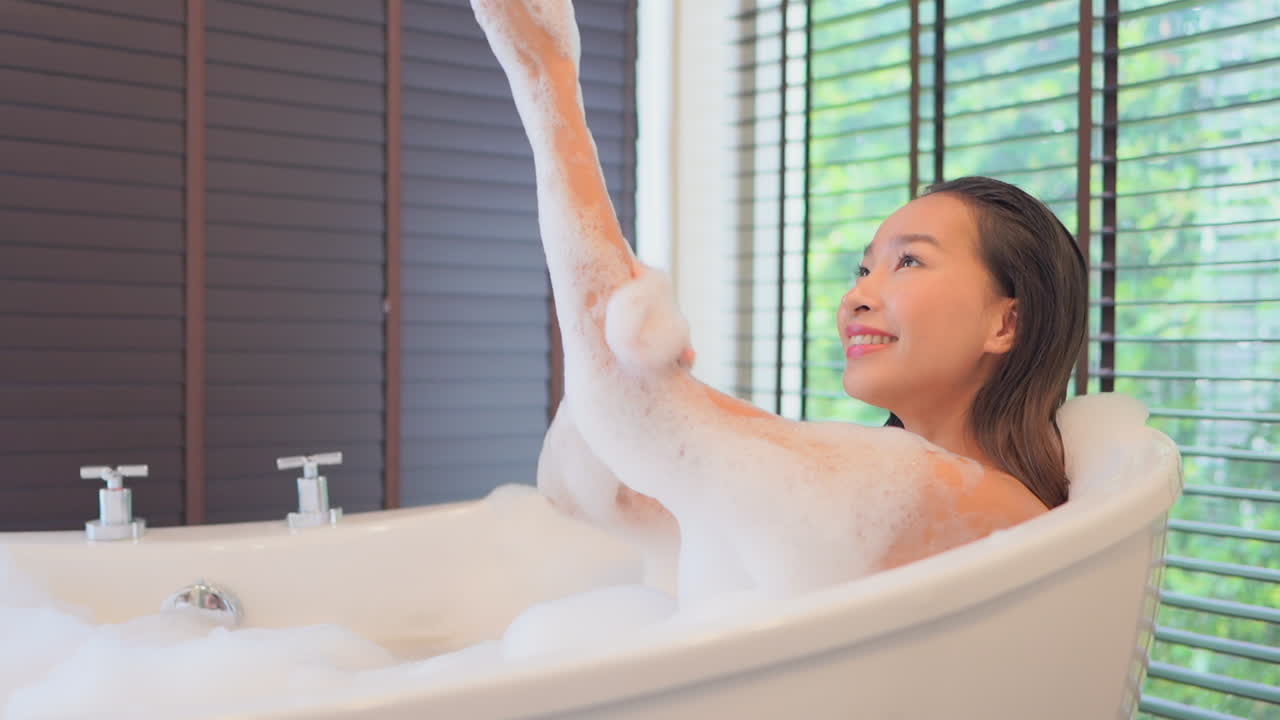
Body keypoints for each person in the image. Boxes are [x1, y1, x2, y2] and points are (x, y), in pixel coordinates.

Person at [470, 0, 1087, 604]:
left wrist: (547, 76)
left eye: (909, 261)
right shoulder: (872, 485)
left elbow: (635, 417)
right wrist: (646, 381)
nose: (857, 296)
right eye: (863, 267)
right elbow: (593, 493)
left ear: (1006, 323)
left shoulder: (995, 513)